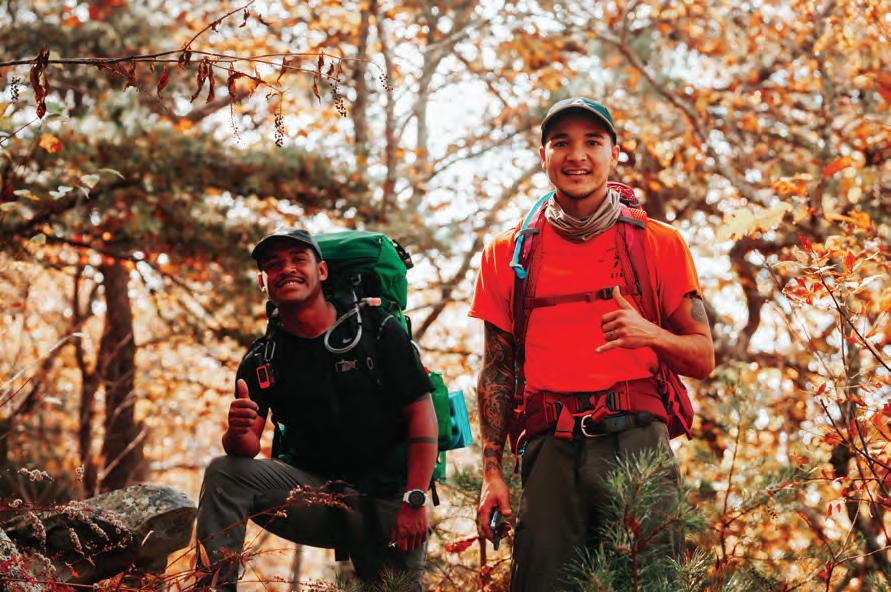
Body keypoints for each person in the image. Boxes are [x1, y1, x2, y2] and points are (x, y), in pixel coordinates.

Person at [469, 97, 715, 590]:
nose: (576, 155)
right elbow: (497, 370)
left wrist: (650, 333)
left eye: (592, 142)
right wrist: (491, 473)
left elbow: (703, 357)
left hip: (637, 443)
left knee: (651, 583)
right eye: (561, 143)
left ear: (613, 154)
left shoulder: (658, 243)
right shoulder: (507, 255)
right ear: (543, 155)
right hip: (548, 450)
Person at [195, 228, 438, 591]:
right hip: (314, 497)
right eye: (274, 265)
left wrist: (414, 500)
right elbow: (244, 448)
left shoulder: (377, 330)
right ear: (264, 282)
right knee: (224, 473)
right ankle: (213, 587)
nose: (286, 269)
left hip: (388, 499)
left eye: (298, 259)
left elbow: (422, 416)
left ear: (321, 271)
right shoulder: (263, 358)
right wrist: (236, 431)